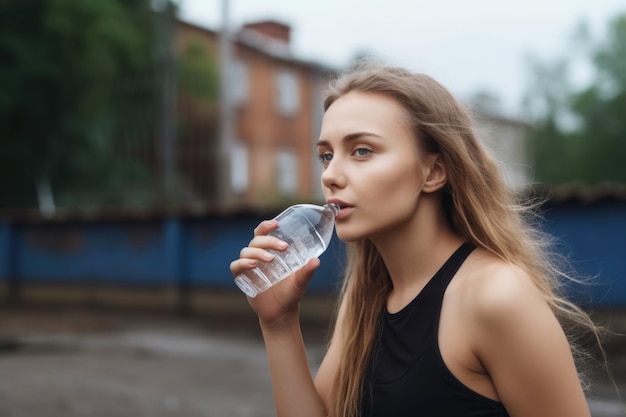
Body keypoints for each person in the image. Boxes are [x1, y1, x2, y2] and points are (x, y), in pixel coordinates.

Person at [229, 61, 603, 417]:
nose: (331, 175)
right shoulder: (368, 298)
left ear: (433, 171)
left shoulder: (497, 296)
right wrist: (278, 325)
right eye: (326, 156)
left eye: (362, 150)